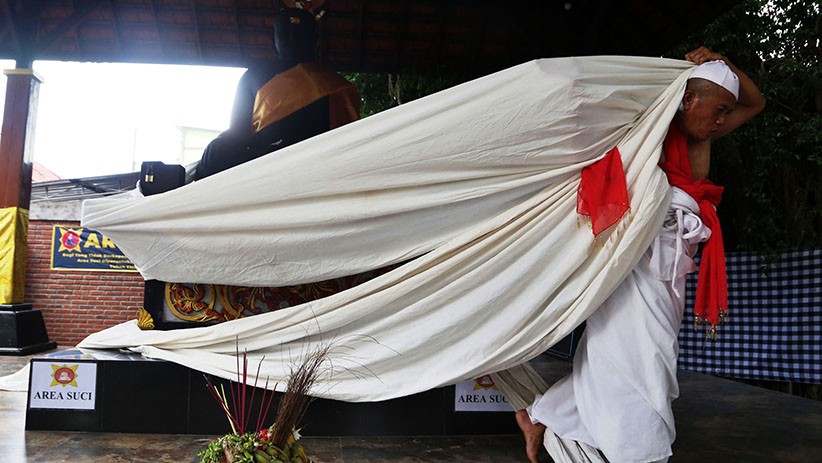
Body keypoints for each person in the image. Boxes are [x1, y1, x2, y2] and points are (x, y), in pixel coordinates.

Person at [516, 47, 766, 463]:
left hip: (672, 250)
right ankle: (642, 451)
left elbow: (755, 102)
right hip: (638, 248)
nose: (723, 120)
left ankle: (549, 414)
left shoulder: (703, 132)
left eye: (726, 111)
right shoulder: (651, 125)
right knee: (638, 354)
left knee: (641, 351)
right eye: (718, 109)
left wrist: (721, 61)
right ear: (688, 100)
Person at [194, 5, 360, 180]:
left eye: (300, 35)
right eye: (285, 34)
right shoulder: (254, 75)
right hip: (263, 157)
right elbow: (238, 131)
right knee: (218, 150)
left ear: (315, 40)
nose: (292, 39)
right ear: (273, 38)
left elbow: (347, 142)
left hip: (316, 162)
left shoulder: (336, 85)